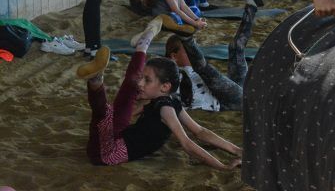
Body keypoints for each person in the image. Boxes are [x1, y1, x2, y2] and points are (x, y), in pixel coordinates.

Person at [75, 19, 241, 169]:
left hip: (108, 154)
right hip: (113, 140)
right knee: (124, 97)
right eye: (143, 78)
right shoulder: (172, 102)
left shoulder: (166, 109)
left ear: (165, 87)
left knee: (110, 110)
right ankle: (142, 45)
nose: (141, 83)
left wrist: (223, 166)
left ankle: (96, 80)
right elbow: (200, 131)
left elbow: (188, 142)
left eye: (147, 80)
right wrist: (237, 150)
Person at [165, 0, 262, 111]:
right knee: (203, 68)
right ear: (174, 56)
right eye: (186, 51)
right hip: (228, 103)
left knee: (235, 48)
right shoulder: (171, 73)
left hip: (229, 93)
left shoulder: (185, 70)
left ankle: (251, 8)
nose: (194, 53)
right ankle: (187, 40)